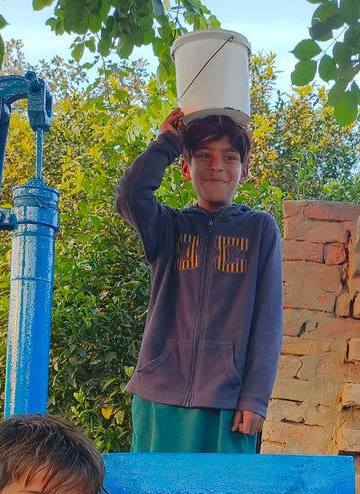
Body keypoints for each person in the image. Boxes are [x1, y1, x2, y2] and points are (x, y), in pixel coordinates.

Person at [115, 107, 283, 453]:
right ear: (186, 167)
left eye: (229, 157)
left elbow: (269, 322)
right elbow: (130, 196)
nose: (216, 166)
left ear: (244, 170)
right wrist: (167, 142)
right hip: (159, 396)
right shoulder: (168, 227)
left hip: (227, 404)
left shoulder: (260, 229)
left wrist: (255, 398)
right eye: (204, 155)